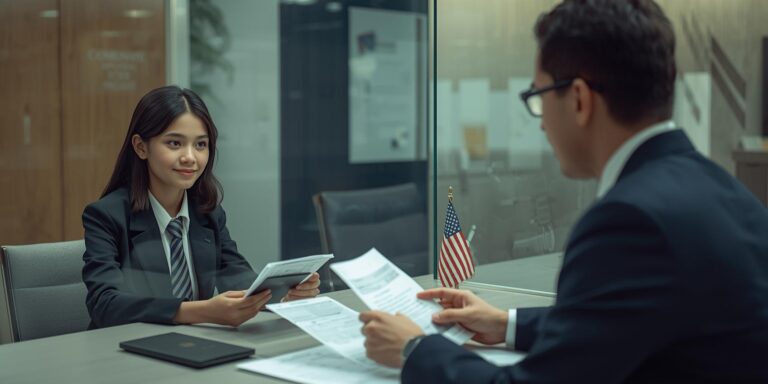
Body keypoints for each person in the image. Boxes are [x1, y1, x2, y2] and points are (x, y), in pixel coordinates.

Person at [359, 0, 768, 382]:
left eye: (537, 97)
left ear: (578, 99)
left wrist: (414, 349)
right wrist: (507, 324)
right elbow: (622, 325)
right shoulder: (723, 190)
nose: (539, 123)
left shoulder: (629, 219)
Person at [82, 86, 321, 329]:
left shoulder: (207, 213)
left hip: (196, 345)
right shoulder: (106, 216)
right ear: (141, 147)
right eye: (174, 143)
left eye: (200, 145)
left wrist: (283, 296)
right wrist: (202, 311)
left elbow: (237, 277)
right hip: (129, 350)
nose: (190, 157)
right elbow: (105, 304)